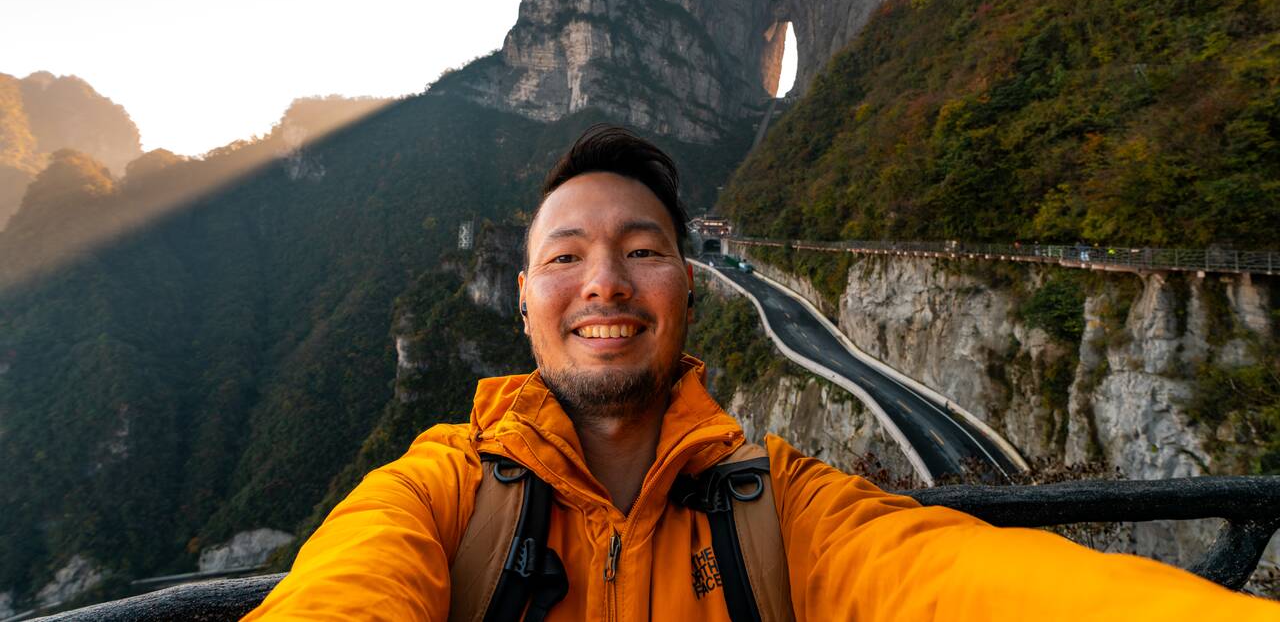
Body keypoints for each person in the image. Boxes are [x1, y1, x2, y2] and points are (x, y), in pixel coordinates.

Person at [244, 125, 1279, 621]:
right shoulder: (438, 494)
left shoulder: (785, 513)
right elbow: (342, 592)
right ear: (522, 299)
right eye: (564, 257)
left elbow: (988, 586)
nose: (603, 282)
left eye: (640, 249)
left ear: (687, 286)